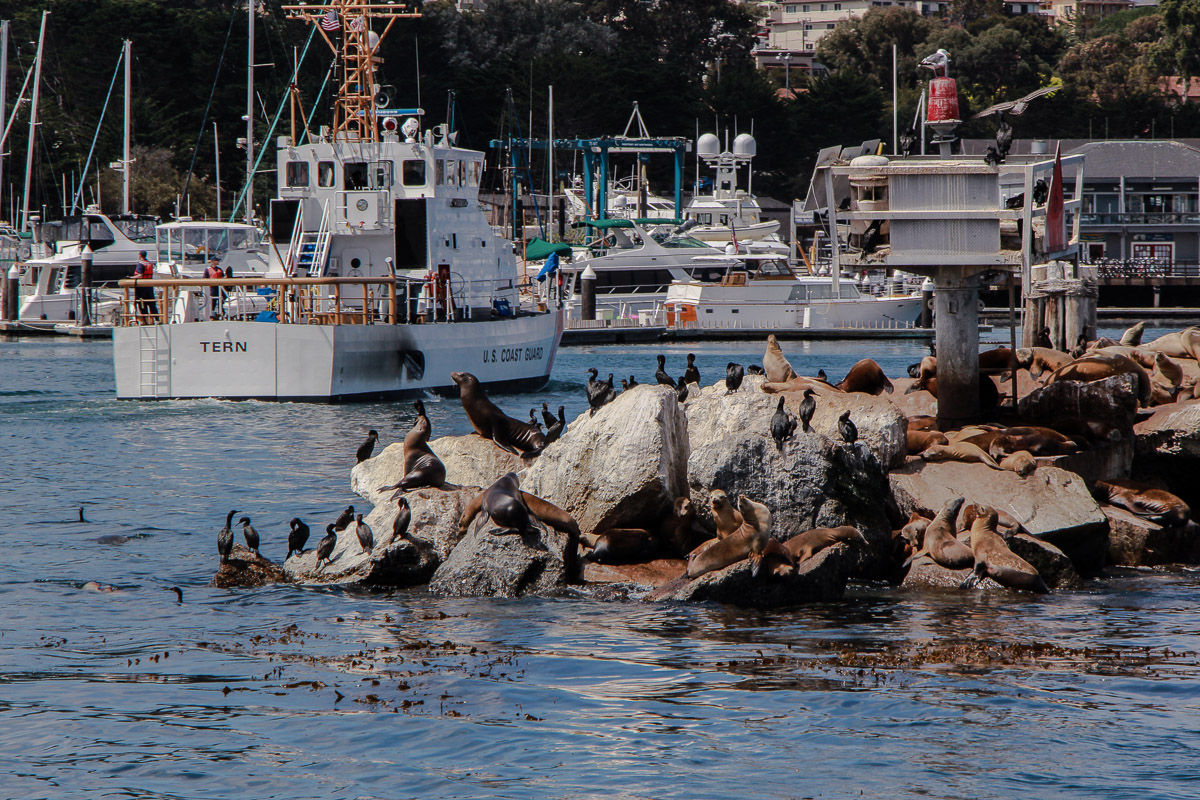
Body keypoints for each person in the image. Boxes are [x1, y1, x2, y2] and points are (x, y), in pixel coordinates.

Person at [132, 250, 158, 319]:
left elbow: (140, 275)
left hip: (141, 287)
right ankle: (156, 319)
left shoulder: (141, 264)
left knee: (142, 304)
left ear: (140, 255)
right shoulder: (150, 264)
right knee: (152, 304)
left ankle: (145, 320)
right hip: (149, 286)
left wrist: (131, 277)